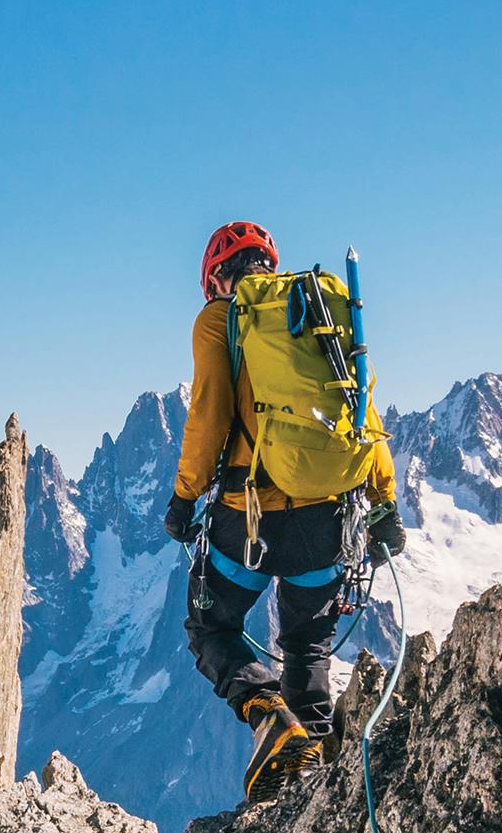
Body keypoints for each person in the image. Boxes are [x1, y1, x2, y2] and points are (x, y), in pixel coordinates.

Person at [165, 221, 406, 800]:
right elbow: (363, 414)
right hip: (328, 517)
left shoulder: (220, 319)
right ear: (268, 265)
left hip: (249, 518)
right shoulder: (321, 311)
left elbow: (209, 415)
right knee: (307, 646)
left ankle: (270, 717)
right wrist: (384, 501)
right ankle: (312, 778)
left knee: (212, 626)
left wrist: (184, 496)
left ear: (216, 278)